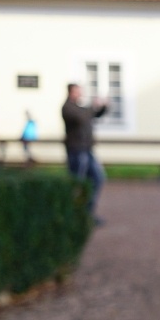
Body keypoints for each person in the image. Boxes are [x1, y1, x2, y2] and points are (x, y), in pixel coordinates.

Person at [62, 83, 108, 224]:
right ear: (71, 92)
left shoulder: (81, 108)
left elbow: (95, 114)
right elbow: (81, 117)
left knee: (98, 178)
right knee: (78, 183)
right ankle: (75, 214)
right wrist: (93, 106)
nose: (80, 94)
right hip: (76, 151)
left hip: (87, 150)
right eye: (78, 91)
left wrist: (104, 106)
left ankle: (87, 212)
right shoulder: (67, 108)